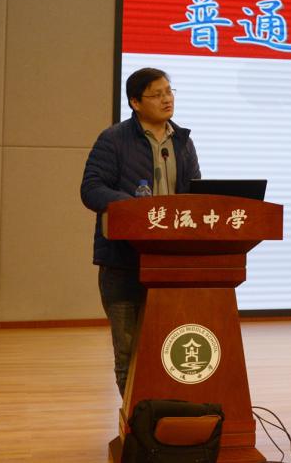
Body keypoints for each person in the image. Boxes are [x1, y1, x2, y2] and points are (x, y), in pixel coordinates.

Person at [81, 67, 201, 395]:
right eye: (157, 94)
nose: (167, 99)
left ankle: (166, 415)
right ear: (135, 102)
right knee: (128, 354)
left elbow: (195, 195)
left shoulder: (182, 142)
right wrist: (135, 208)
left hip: (172, 264)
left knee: (169, 348)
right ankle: (135, 419)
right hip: (124, 263)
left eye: (169, 91)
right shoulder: (114, 140)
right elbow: (91, 190)